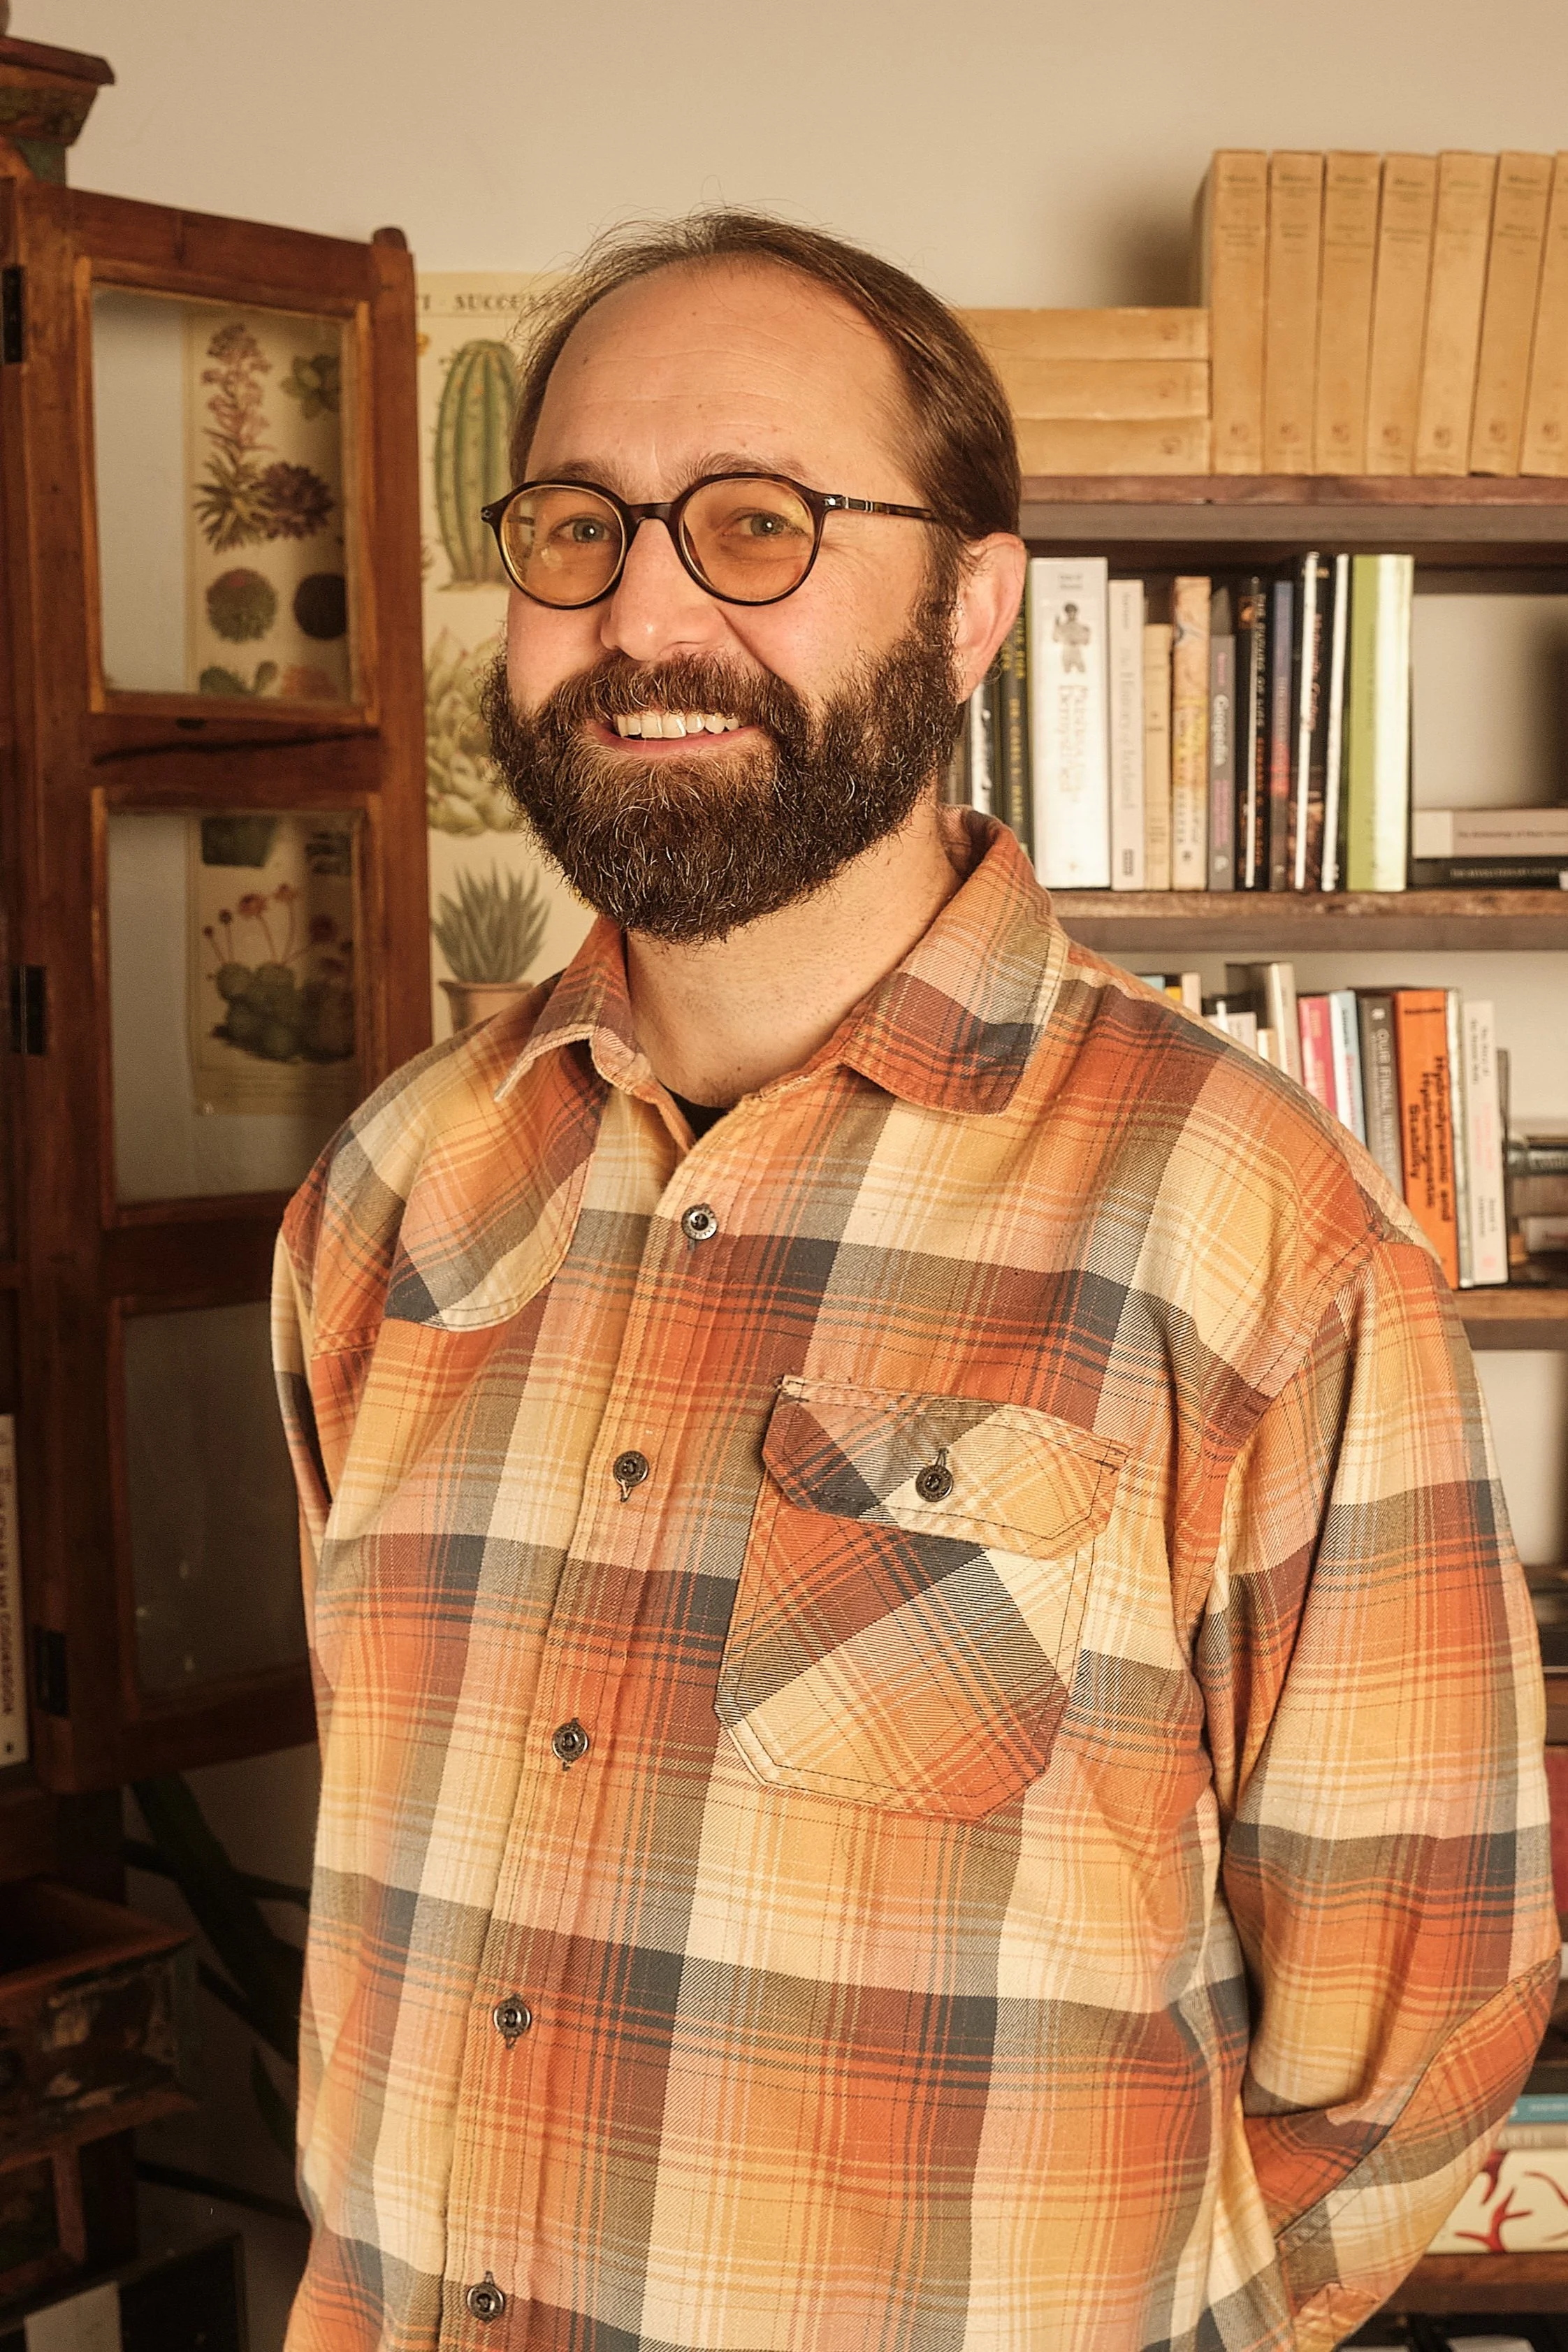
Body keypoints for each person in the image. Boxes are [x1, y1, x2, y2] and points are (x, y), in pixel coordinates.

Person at [273, 212, 1556, 2352]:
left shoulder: (1249, 1226)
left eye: (756, 524)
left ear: (973, 607)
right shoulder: (390, 1195)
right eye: (574, 526)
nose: (642, 607)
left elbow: (1416, 2031)